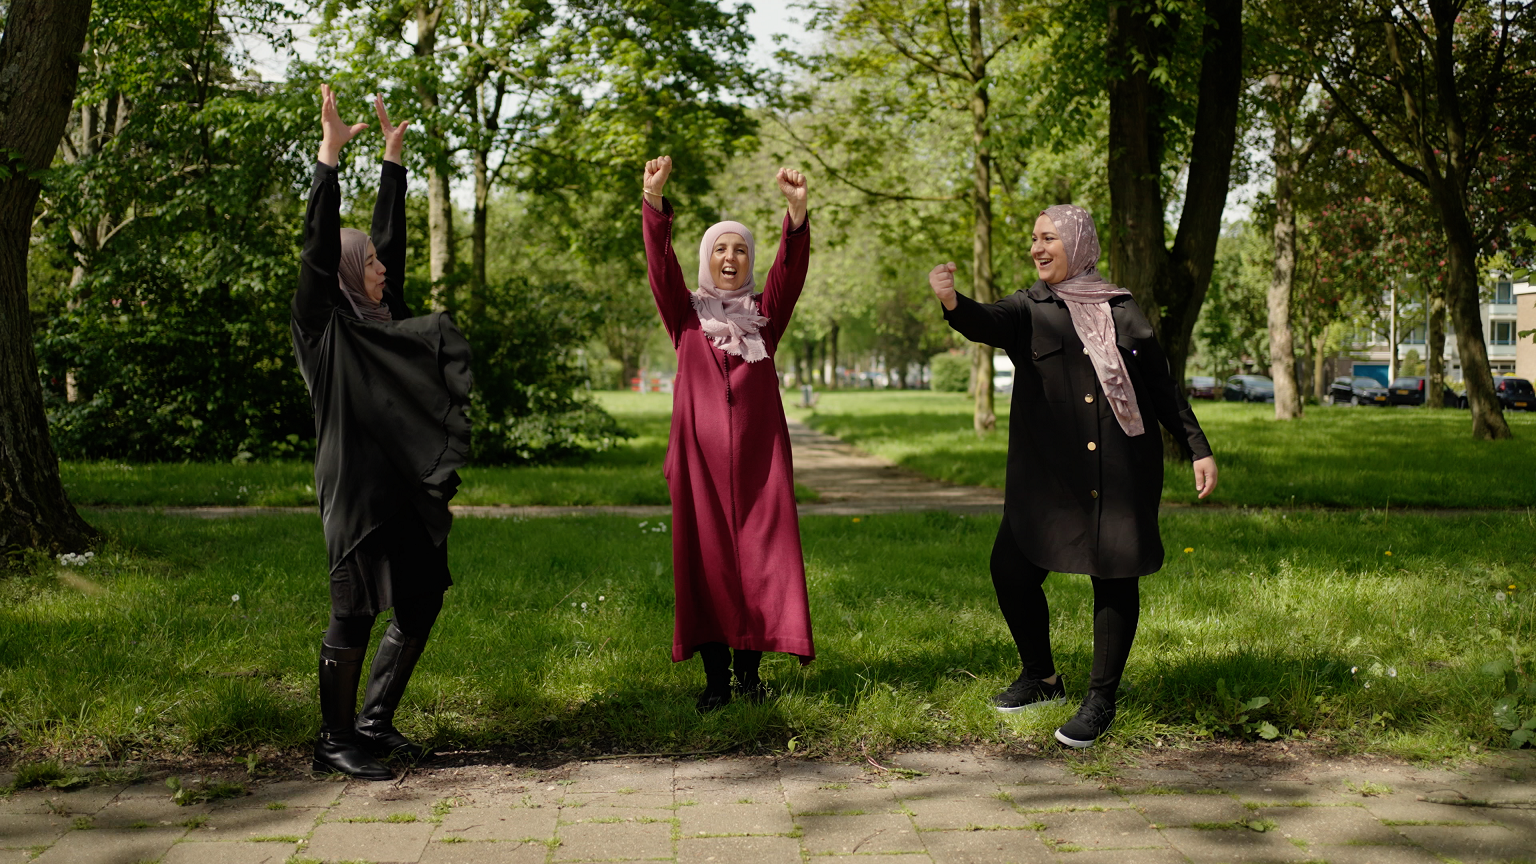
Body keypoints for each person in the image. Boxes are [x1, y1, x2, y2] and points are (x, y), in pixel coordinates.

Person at [928, 204, 1218, 749]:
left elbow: (1160, 387)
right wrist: (951, 301)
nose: (1037, 248)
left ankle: (1101, 699)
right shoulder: (1027, 308)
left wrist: (1198, 448)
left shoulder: (1122, 310)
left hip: (1118, 468)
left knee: (1112, 577)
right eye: (1033, 239)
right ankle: (1041, 678)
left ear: (1078, 244)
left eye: (1049, 239)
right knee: (1011, 569)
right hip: (1049, 476)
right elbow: (984, 320)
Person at [293, 84, 472, 779]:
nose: (382, 269)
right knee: (355, 609)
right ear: (342, 276)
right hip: (357, 494)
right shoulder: (323, 329)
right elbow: (317, 253)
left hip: (404, 487)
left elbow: (387, 243)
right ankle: (333, 742)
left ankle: (373, 723)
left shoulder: (381, 324)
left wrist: (392, 165)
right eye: (366, 263)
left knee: (421, 597)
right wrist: (329, 159)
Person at [641, 154, 816, 710]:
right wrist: (653, 203)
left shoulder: (765, 313)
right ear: (706, 259)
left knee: (763, 566)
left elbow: (791, 273)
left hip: (760, 466)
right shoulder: (685, 315)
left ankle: (750, 676)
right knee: (708, 566)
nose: (730, 256)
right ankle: (717, 682)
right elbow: (659, 267)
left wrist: (796, 213)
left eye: (739, 248)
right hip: (699, 467)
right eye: (720, 247)